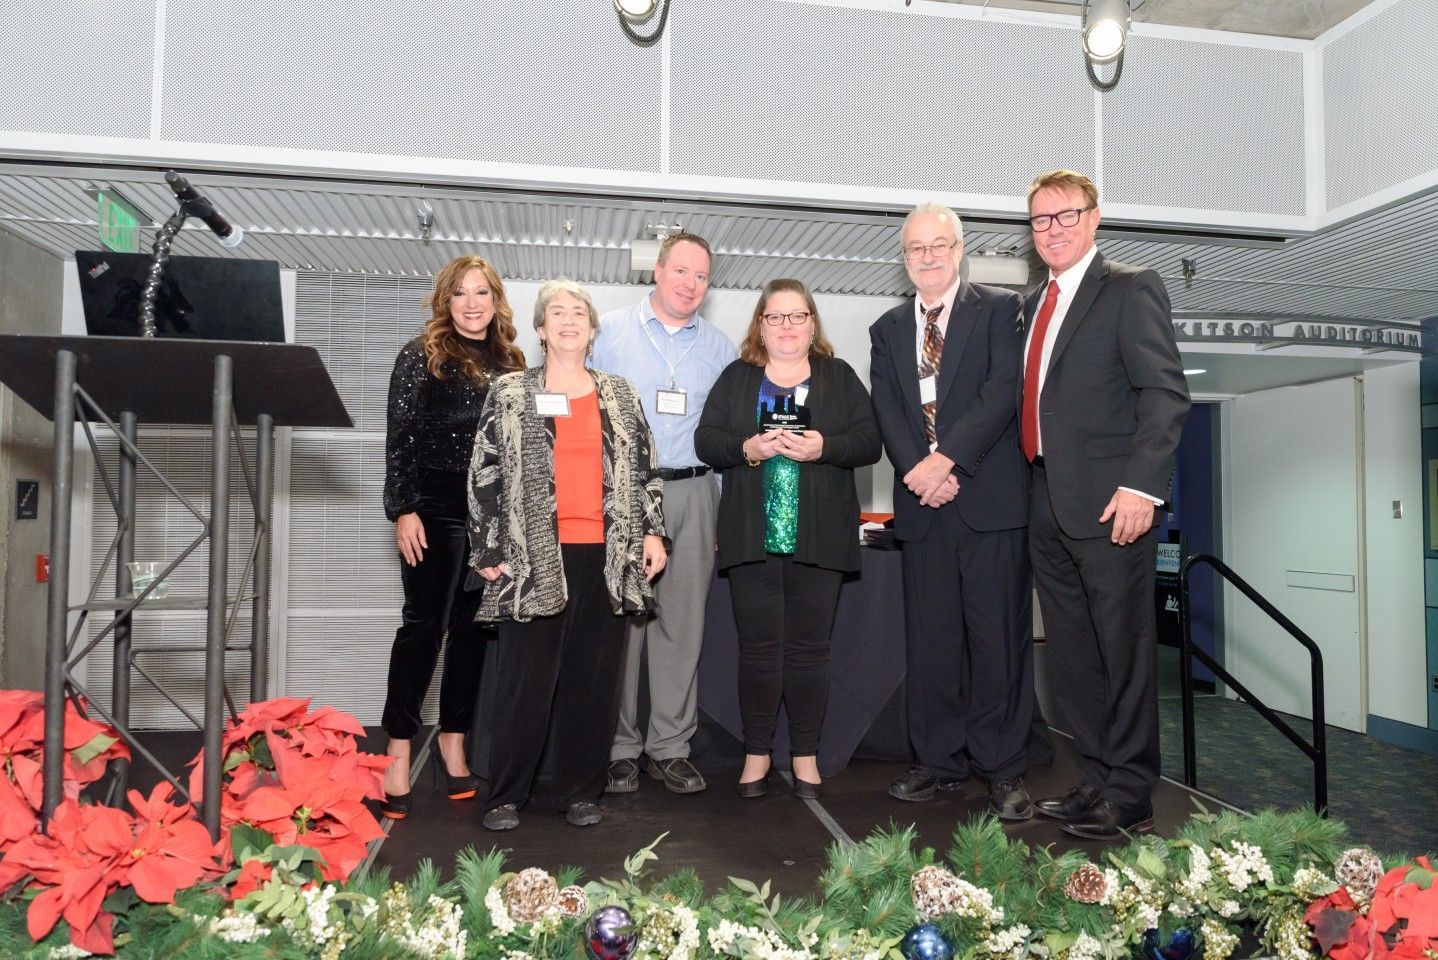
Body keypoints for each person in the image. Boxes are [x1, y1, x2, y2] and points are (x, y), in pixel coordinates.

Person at [1021, 169, 1190, 841]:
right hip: (1046, 499)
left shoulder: (1130, 288)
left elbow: (1165, 393)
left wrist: (1142, 486)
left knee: (1122, 652)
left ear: (1094, 218)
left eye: (1066, 216)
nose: (1054, 229)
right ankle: (1095, 779)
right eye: (1041, 220)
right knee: (1072, 657)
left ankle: (1132, 794)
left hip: (1113, 504)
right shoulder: (1033, 301)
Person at [469, 278, 668, 831]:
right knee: (523, 683)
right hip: (532, 557)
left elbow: (647, 470)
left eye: (579, 312)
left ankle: (582, 792)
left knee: (593, 683)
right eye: (557, 312)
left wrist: (653, 533)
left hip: (606, 558)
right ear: (539, 329)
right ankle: (506, 796)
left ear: (592, 328)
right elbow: (484, 470)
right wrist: (485, 545)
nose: (568, 320)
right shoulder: (510, 391)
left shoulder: (619, 393)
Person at [868, 202, 1036, 820]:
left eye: (939, 245)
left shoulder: (998, 310)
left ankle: (1002, 769)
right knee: (932, 646)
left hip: (988, 503)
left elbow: (1002, 393)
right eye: (916, 248)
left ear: (960, 249)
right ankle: (937, 762)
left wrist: (948, 461)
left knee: (998, 644)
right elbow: (887, 406)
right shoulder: (886, 328)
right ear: (904, 257)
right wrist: (919, 471)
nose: (928, 256)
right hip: (923, 508)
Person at [695, 279, 880, 799]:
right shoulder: (738, 377)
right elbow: (706, 440)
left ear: (812, 324)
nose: (786, 327)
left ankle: (804, 755)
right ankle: (756, 754)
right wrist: (747, 447)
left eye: (796, 317)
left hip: (818, 537)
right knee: (756, 651)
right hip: (751, 535)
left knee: (808, 653)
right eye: (775, 317)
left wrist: (825, 446)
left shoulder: (838, 377)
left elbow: (870, 441)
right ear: (760, 324)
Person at [379, 254, 526, 820]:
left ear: (495, 301)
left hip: (490, 513)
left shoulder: (510, 361)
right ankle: (397, 750)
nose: (471, 304)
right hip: (434, 510)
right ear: (446, 300)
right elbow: (400, 441)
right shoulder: (422, 355)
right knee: (424, 627)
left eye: (481, 294)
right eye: (461, 294)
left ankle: (453, 742)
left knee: (471, 632)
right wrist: (404, 510)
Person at [591, 233, 737, 795]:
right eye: (681, 272)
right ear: (657, 271)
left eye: (701, 277)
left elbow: (725, 438)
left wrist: (721, 509)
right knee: (624, 623)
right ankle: (619, 748)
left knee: (683, 624)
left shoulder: (721, 349)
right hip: (625, 495)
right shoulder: (609, 333)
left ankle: (670, 747)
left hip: (696, 492)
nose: (690, 285)